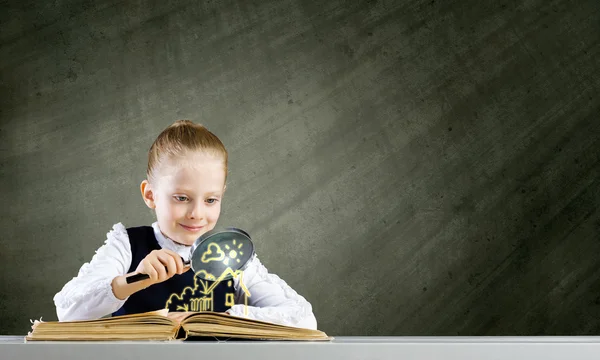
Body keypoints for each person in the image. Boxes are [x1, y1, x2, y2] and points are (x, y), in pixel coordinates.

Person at [53, 120, 317, 330]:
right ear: (150, 195)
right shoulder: (126, 245)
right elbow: (68, 311)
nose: (197, 214)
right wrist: (134, 279)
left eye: (211, 200)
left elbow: (303, 319)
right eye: (181, 198)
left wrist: (214, 318)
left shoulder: (230, 256)